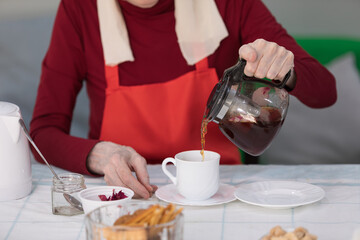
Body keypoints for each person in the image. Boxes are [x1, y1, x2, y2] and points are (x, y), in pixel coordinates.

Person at [30, 0, 337, 199]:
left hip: (222, 193)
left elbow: (326, 91)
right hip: (125, 199)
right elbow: (42, 133)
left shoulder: (227, 4)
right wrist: (98, 155)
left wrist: (285, 69)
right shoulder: (79, 10)